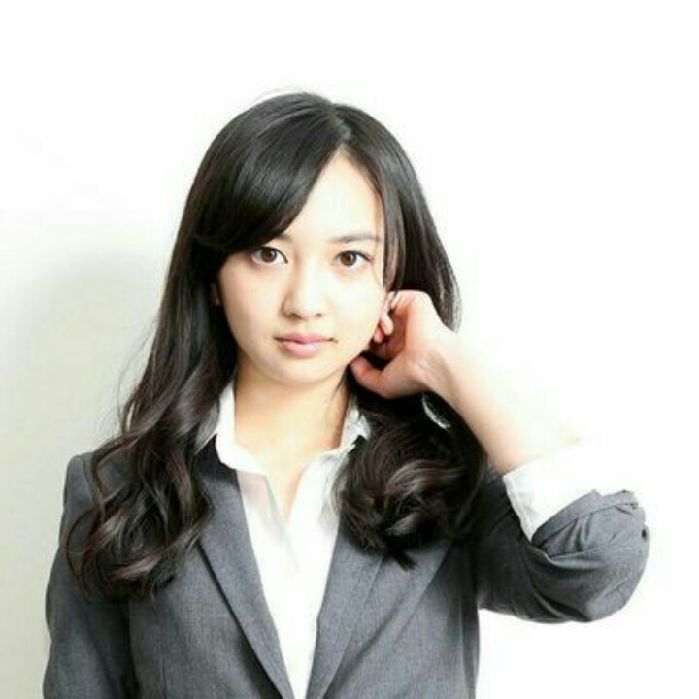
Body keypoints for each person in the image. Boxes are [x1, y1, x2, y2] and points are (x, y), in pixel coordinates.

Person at [43, 90, 650, 698]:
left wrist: (447, 362)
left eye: (350, 258)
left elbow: (597, 566)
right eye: (268, 254)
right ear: (213, 277)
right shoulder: (117, 491)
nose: (305, 301)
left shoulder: (443, 480)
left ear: (392, 279)